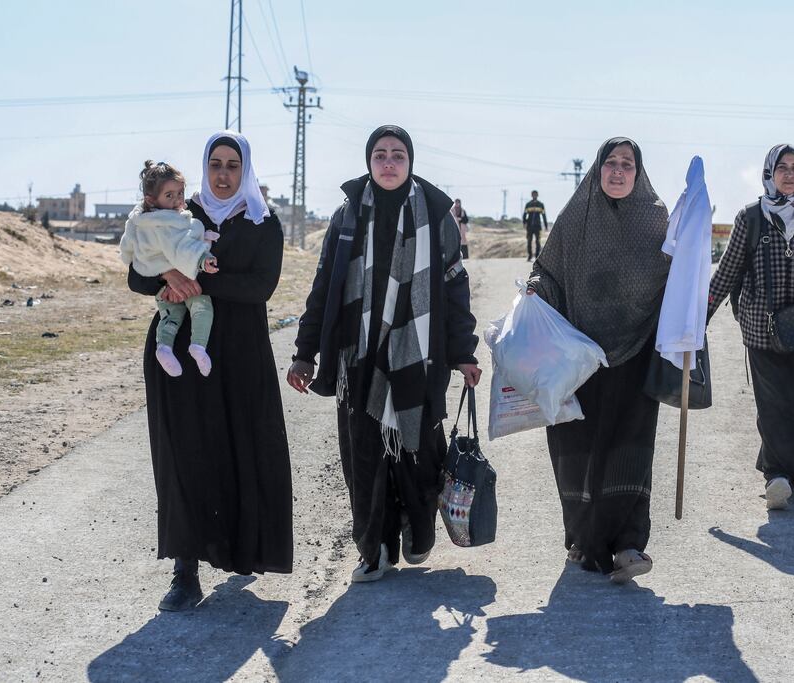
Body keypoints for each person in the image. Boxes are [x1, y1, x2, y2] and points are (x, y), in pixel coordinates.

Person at [287, 125, 481, 583]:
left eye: (397, 154)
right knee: (365, 460)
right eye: (380, 155)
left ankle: (417, 531)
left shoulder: (437, 217)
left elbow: (456, 290)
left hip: (421, 356)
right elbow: (324, 290)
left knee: (418, 453)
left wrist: (464, 353)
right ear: (369, 162)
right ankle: (373, 549)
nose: (389, 162)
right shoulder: (348, 216)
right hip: (359, 359)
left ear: (410, 161)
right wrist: (305, 351)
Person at [127, 131, 293, 611]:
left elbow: (261, 287)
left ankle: (242, 550)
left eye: (232, 166)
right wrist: (166, 275)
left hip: (240, 353)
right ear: (205, 166)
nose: (223, 174)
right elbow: (136, 275)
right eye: (216, 164)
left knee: (241, 447)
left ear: (245, 171)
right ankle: (186, 570)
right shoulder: (176, 213)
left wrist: (196, 282)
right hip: (179, 353)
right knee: (186, 455)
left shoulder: (263, 222)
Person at [527, 138, 669, 583]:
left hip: (636, 353)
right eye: (611, 162)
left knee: (630, 447)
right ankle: (584, 541)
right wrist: (535, 288)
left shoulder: (657, 219)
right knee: (577, 448)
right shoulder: (576, 216)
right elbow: (548, 270)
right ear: (599, 168)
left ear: (638, 172)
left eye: (628, 164)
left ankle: (629, 544)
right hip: (577, 356)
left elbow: (678, 279)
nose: (618, 171)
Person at [707, 143, 794, 510]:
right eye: (782, 167)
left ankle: (778, 467)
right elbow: (728, 271)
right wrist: (699, 317)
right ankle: (778, 478)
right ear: (769, 173)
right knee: (772, 407)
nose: (789, 174)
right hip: (760, 330)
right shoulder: (751, 218)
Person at [120, 161, 220, 378]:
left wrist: (153, 269)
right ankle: (198, 345)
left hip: (160, 290)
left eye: (180, 193)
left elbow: (127, 249)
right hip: (180, 285)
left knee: (170, 317)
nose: (177, 200)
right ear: (151, 199)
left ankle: (164, 348)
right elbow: (184, 249)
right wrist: (201, 261)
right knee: (202, 306)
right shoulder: (170, 221)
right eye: (169, 195)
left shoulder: (138, 221)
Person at [523, 190, 548, 261]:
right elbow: (524, 215)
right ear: (531, 195)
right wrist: (524, 223)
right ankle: (530, 256)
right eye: (533, 194)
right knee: (529, 241)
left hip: (537, 226)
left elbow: (544, 215)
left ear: (537, 195)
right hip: (529, 226)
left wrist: (545, 225)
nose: (534, 195)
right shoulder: (528, 204)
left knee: (538, 241)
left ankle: (537, 256)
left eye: (535, 194)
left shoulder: (540, 204)